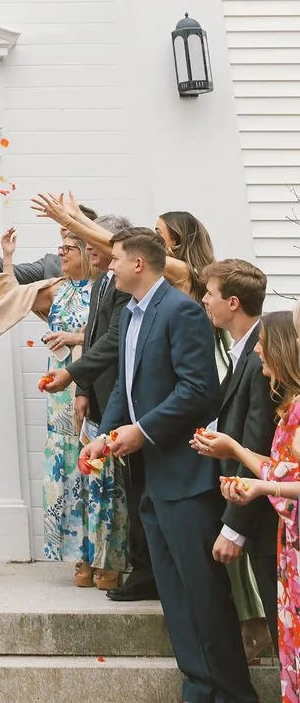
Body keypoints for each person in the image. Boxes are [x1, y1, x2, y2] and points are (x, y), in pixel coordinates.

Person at [84, 228, 257, 703]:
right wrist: (106, 434)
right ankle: (199, 689)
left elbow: (198, 390)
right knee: (176, 600)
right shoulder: (131, 315)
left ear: (139, 263)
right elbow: (126, 386)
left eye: (115, 258)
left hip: (186, 475)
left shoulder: (180, 311)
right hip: (150, 478)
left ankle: (234, 694)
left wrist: (145, 431)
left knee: (203, 595)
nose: (108, 266)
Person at [39, 214, 146, 598]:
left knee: (111, 482)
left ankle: (114, 558)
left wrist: (73, 375)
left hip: (120, 393)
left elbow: (112, 339)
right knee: (85, 475)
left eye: (85, 244)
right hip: (92, 392)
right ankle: (87, 552)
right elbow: (98, 334)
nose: (82, 251)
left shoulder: (119, 285)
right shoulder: (104, 282)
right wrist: (82, 386)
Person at [205, 311, 300, 702]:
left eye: (264, 342)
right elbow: (279, 470)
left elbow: (279, 479)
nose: (257, 348)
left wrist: (260, 486)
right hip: (289, 555)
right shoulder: (290, 407)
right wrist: (236, 451)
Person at [199, 261, 280, 663]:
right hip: (250, 502)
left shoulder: (262, 354)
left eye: (210, 293)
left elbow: (259, 436)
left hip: (267, 519)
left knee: (287, 635)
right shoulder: (241, 351)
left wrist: (234, 527)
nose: (204, 300)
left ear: (233, 302)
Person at [31, 192, 216, 304]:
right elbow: (116, 241)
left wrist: (69, 223)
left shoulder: (183, 271)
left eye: (158, 232)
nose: (153, 237)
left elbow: (115, 244)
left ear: (176, 241)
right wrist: (79, 217)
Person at [0, 205, 97, 285]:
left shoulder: (105, 264)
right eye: (62, 223)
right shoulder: (51, 265)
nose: (62, 228)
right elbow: (14, 286)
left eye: (69, 223)